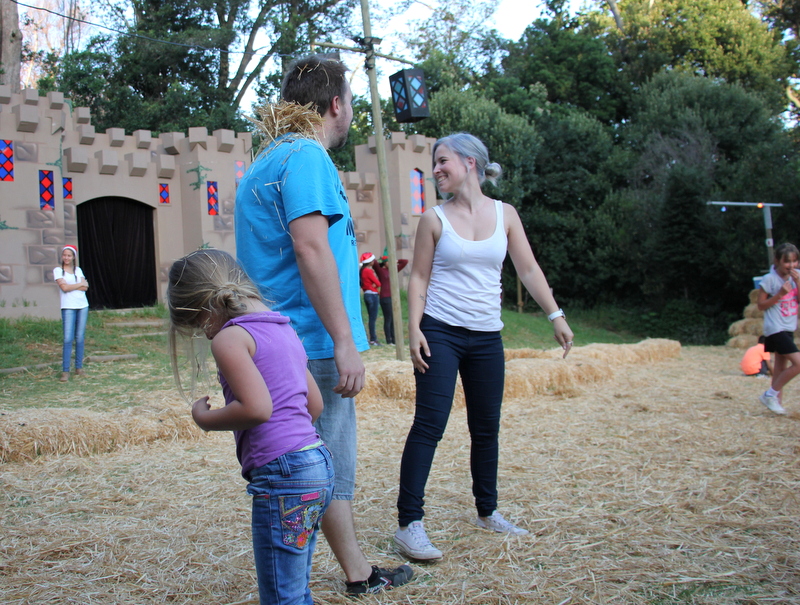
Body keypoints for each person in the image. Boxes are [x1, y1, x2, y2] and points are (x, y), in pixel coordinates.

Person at [234, 54, 413, 595]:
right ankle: (310, 583)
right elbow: (310, 248)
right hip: (309, 341)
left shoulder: (268, 159)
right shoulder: (307, 156)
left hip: (278, 339)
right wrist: (343, 340)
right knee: (322, 466)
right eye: (351, 102)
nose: (350, 112)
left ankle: (354, 572)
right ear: (336, 104)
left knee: (306, 465)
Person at [393, 133, 574, 561]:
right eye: (434, 162)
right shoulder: (434, 218)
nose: (436, 169)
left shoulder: (505, 214)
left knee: (486, 427)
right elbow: (418, 277)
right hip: (440, 332)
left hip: (487, 336)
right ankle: (408, 524)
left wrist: (555, 315)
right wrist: (414, 328)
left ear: (470, 162)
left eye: (443, 161)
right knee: (430, 424)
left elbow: (528, 269)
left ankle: (487, 512)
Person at [166, 249, 333, 605]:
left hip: (284, 476)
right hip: (317, 465)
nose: (203, 333)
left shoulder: (230, 338)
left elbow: (257, 409)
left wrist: (204, 419)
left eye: (197, 326)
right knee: (296, 588)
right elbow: (314, 405)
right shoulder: (283, 327)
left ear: (200, 310)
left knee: (282, 596)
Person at [757, 242, 800, 415]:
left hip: (788, 326)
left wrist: (798, 282)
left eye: (794, 261)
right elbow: (760, 305)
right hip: (775, 328)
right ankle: (770, 395)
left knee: (780, 368)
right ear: (777, 261)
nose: (791, 265)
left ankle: (776, 405)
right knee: (798, 363)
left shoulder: (797, 276)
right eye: (787, 261)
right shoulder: (769, 279)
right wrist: (780, 294)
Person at [54, 244, 89, 382]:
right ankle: (65, 370)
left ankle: (78, 367)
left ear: (73, 257)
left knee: (80, 337)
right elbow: (64, 288)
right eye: (64, 255)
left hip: (82, 305)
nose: (66, 258)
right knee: (68, 338)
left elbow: (85, 287)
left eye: (69, 255)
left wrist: (71, 286)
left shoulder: (78, 270)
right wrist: (78, 285)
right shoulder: (58, 270)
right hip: (68, 306)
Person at [375, 250, 409, 345]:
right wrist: (382, 259)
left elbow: (405, 261)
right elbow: (375, 263)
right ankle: (388, 340)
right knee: (388, 318)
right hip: (385, 297)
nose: (390, 263)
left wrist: (395, 260)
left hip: (393, 297)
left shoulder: (393, 270)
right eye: (388, 262)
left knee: (394, 319)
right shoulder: (381, 271)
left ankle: (394, 340)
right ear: (384, 263)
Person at [360, 252, 381, 345]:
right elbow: (378, 283)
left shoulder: (362, 270)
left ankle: (371, 338)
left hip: (366, 294)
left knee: (370, 318)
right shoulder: (368, 271)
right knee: (373, 318)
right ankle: (373, 339)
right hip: (372, 295)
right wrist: (375, 285)